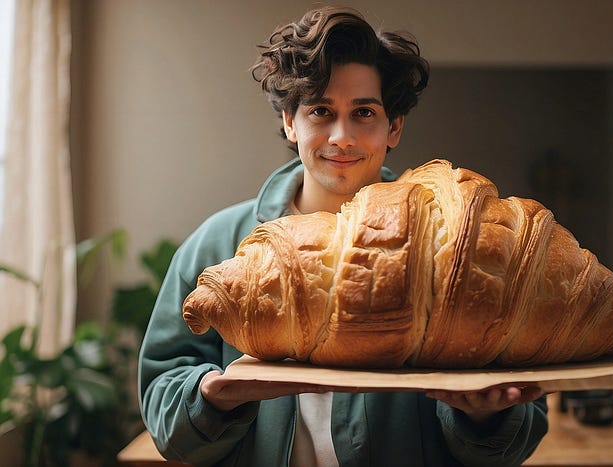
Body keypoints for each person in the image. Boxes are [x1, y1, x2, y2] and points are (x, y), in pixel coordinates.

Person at [138, 6, 548, 467]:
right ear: (291, 123)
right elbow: (167, 418)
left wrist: (485, 419)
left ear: (394, 127)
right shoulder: (218, 244)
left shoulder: (457, 244)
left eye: (364, 113)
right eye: (320, 111)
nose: (342, 137)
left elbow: (520, 426)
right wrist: (211, 398)